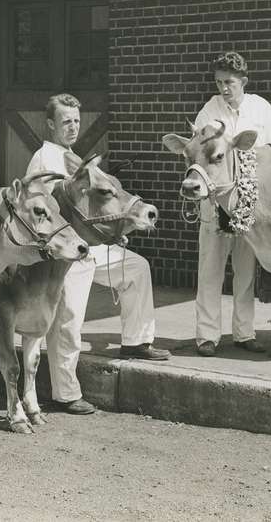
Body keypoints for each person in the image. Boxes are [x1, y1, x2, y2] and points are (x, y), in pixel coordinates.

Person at [27, 93, 171, 416]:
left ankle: (136, 341)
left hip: (92, 245)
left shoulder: (73, 157)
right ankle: (65, 393)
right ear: (50, 124)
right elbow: (40, 209)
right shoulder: (44, 159)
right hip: (67, 251)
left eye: (77, 120)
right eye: (66, 121)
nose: (73, 127)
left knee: (137, 268)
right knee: (68, 321)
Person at [193, 51, 271, 357]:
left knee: (246, 271)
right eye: (219, 82)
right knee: (211, 270)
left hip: (249, 206)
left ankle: (244, 333)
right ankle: (207, 336)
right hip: (215, 203)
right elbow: (199, 152)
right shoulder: (209, 112)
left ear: (243, 82)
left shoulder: (261, 109)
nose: (223, 88)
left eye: (229, 82)